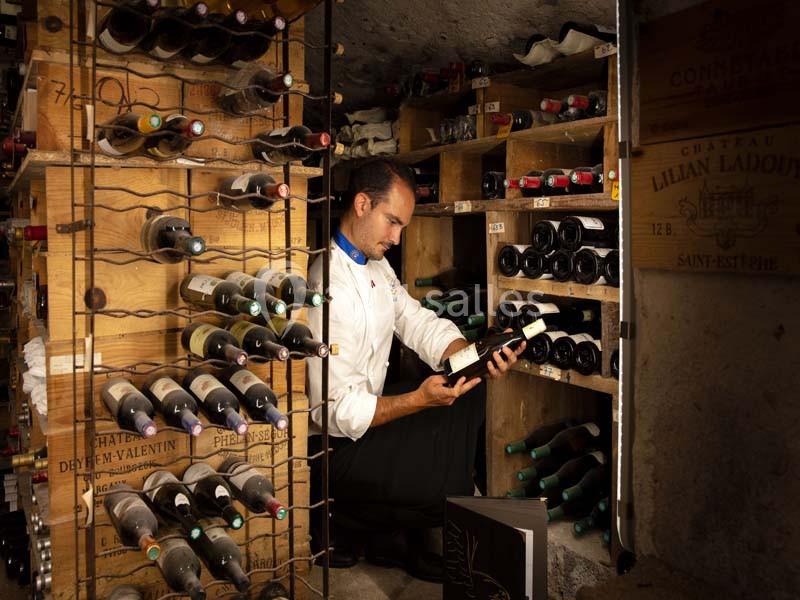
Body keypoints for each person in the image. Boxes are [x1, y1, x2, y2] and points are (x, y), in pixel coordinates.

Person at [306, 158, 523, 582]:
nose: (397, 237)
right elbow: (336, 412)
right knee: (438, 456)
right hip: (334, 448)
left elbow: (414, 318)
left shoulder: (374, 263)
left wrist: (468, 353)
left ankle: (398, 534)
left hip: (365, 423)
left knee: (468, 387)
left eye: (402, 226)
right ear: (362, 204)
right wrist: (417, 401)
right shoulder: (326, 286)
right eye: (392, 223)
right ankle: (356, 522)